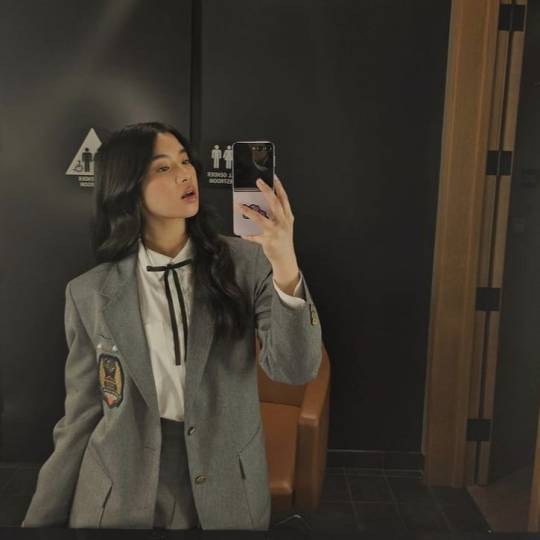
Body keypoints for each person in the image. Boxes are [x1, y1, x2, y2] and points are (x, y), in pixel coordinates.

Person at [21, 121, 322, 530]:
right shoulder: (88, 293)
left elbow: (296, 368)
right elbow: (81, 416)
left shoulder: (246, 264)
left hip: (226, 489)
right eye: (163, 167)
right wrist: (38, 521)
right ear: (128, 187)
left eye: (185, 161)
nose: (185, 174)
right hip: (118, 495)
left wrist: (285, 262)